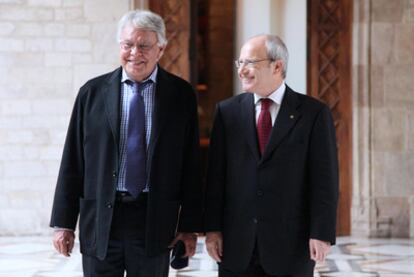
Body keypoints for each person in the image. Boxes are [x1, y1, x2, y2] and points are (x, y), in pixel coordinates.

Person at [50, 9, 203, 277]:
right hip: (100, 218)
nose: (135, 53)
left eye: (144, 45)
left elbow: (191, 165)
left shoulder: (181, 96)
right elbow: (72, 160)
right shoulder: (92, 93)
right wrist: (63, 223)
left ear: (161, 49)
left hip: (154, 220)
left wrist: (188, 226)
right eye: (128, 45)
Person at [204, 34, 339, 277]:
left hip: (291, 246)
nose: (242, 70)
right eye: (240, 63)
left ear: (277, 66)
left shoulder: (313, 114)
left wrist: (321, 232)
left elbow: (324, 180)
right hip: (236, 246)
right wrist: (212, 230)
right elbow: (216, 178)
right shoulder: (227, 112)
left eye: (250, 63)